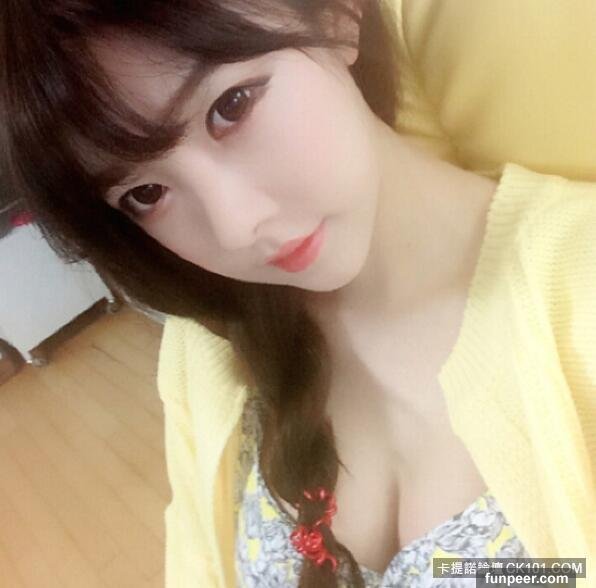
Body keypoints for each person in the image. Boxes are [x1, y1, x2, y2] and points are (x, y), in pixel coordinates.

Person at [1, 1, 595, 587]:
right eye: (146, 194)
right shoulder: (203, 353)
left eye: (231, 106)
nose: (236, 227)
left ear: (338, 15)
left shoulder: (578, 291)